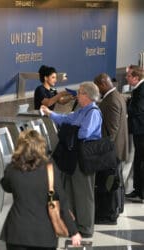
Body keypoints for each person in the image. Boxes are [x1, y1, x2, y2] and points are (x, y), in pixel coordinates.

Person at [0, 129, 82, 250]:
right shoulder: (50, 170)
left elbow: (6, 186)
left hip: (16, 233)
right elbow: (63, 203)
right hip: (45, 235)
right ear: (41, 147)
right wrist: (73, 231)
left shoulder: (12, 169)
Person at [41, 82, 102, 238]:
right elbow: (65, 119)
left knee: (84, 194)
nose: (77, 95)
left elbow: (84, 133)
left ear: (87, 96)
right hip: (73, 158)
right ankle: (73, 225)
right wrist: (50, 114)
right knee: (72, 192)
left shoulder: (93, 112)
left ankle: (86, 228)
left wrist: (71, 127)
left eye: (80, 93)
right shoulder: (82, 111)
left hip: (84, 158)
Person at [93, 73, 129, 223]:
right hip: (116, 150)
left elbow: (112, 132)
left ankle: (109, 214)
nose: (96, 90)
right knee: (114, 181)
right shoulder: (116, 96)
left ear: (102, 84)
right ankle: (116, 209)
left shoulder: (112, 100)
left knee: (109, 183)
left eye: (96, 86)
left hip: (111, 151)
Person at [125, 65, 144, 200]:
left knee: (140, 160)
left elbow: (138, 109)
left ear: (136, 78)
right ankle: (138, 190)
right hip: (139, 129)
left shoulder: (141, 90)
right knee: (138, 159)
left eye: (129, 76)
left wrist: (127, 108)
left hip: (141, 130)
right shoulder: (138, 89)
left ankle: (140, 191)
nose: (127, 78)